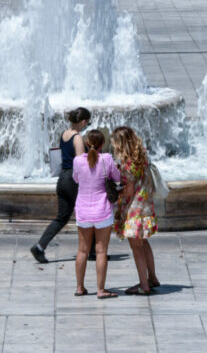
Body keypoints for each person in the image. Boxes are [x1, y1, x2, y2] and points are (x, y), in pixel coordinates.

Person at [31, 108, 87, 264]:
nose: (86, 125)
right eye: (86, 122)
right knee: (88, 213)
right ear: (83, 121)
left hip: (62, 179)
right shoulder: (78, 138)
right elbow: (80, 163)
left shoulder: (64, 134)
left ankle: (39, 247)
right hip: (72, 180)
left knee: (61, 218)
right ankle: (94, 251)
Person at [72, 128, 120, 299]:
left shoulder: (77, 161)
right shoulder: (106, 159)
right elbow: (117, 177)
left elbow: (76, 179)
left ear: (86, 143)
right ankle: (100, 290)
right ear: (102, 144)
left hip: (83, 210)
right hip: (103, 211)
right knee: (101, 252)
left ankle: (80, 287)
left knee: (82, 251)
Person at [111, 126, 159, 295]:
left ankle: (143, 285)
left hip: (134, 210)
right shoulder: (143, 155)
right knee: (144, 242)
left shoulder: (126, 163)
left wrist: (113, 191)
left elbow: (129, 191)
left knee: (136, 247)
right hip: (146, 205)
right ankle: (152, 278)